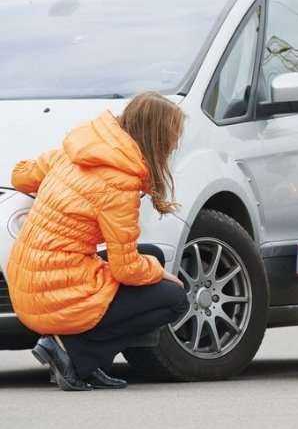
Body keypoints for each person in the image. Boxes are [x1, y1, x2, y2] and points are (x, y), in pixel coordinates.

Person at [7, 92, 189, 391]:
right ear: (157, 138)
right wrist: (158, 272)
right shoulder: (119, 182)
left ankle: (83, 358)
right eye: (173, 137)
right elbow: (126, 269)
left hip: (27, 276)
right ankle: (73, 353)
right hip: (53, 291)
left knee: (152, 253)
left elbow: (20, 176)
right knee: (174, 298)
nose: (175, 145)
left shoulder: (79, 151)